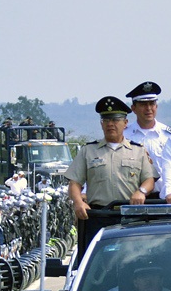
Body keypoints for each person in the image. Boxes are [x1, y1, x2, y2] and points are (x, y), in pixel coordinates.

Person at [66, 96, 157, 258]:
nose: (110, 124)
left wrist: (141, 192)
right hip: (99, 216)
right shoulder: (88, 151)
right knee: (99, 264)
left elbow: (149, 179)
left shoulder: (138, 151)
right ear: (101, 123)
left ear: (125, 123)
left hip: (130, 217)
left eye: (116, 119)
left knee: (132, 260)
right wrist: (78, 202)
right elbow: (74, 183)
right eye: (106, 120)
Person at [124, 81, 171, 171]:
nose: (148, 108)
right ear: (133, 108)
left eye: (152, 104)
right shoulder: (124, 136)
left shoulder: (170, 136)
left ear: (156, 106)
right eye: (143, 104)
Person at [98, 265, 171, 291]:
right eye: (143, 277)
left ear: (161, 281)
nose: (148, 280)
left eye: (153, 276)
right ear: (135, 283)